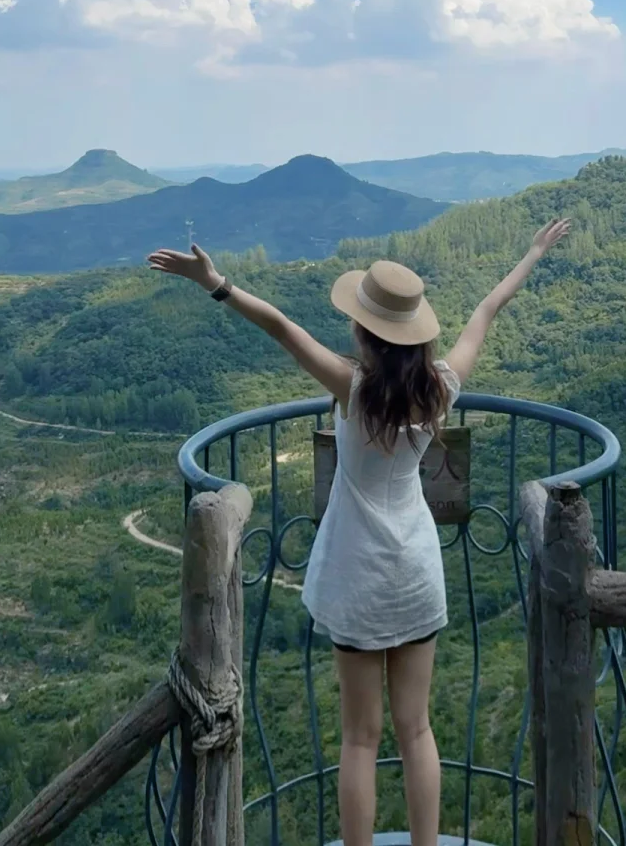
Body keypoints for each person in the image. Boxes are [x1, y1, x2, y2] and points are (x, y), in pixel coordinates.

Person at [147, 217, 571, 846]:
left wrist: (216, 284)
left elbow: (281, 327)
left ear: (367, 333)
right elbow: (488, 308)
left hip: (358, 576)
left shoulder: (352, 389)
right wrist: (533, 252)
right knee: (417, 729)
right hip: (417, 572)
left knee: (359, 739)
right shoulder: (441, 390)